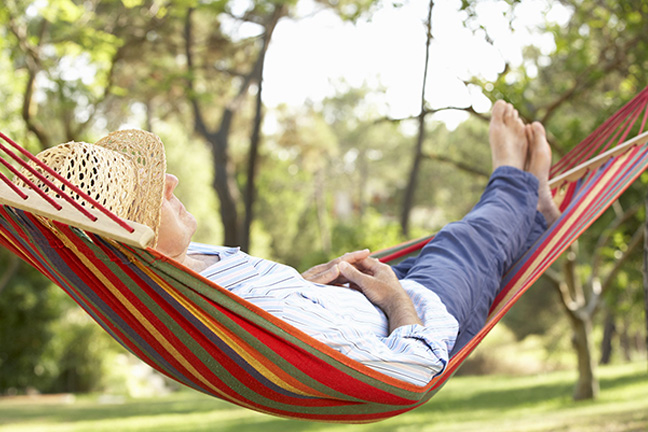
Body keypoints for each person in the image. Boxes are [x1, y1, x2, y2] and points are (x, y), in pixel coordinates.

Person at [17, 101, 560, 386]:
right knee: (466, 243)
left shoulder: (195, 275)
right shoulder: (193, 306)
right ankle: (515, 179)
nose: (172, 182)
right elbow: (408, 372)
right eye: (150, 190)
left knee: (463, 244)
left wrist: (306, 283)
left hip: (366, 297)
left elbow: (274, 316)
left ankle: (537, 216)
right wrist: (396, 298)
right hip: (421, 321)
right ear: (133, 234)